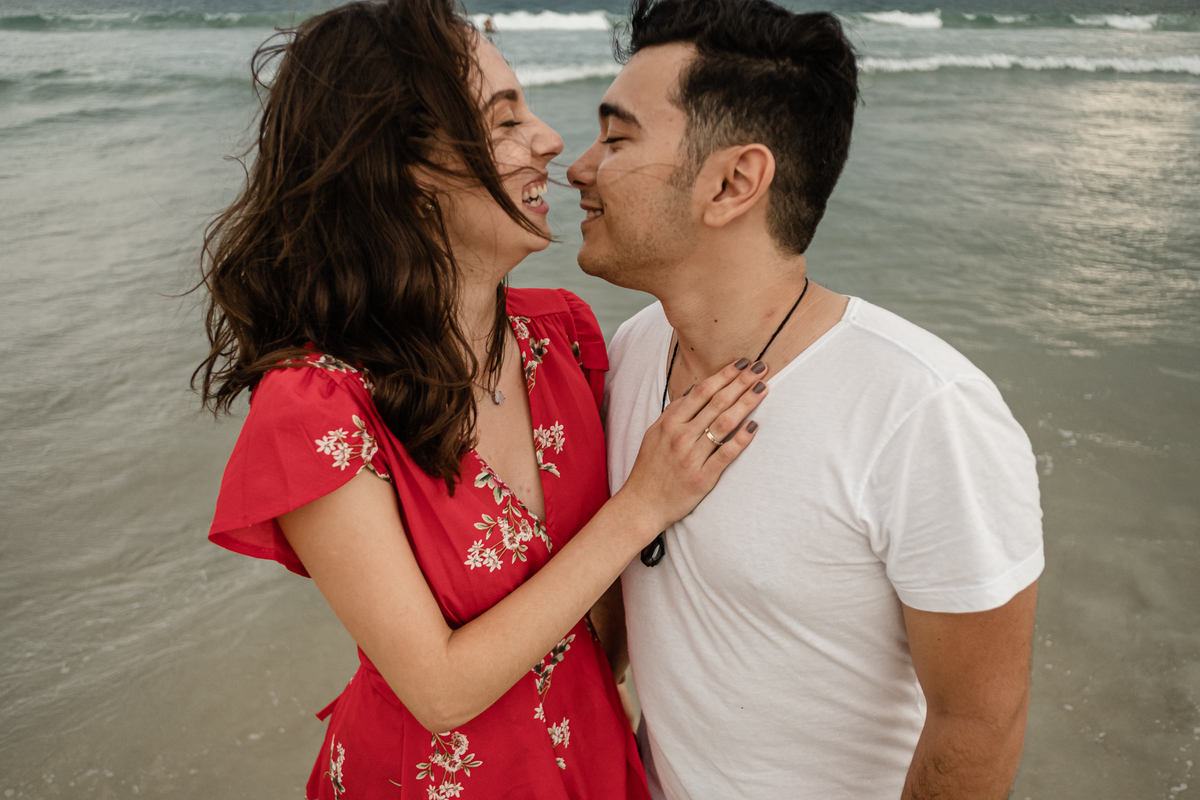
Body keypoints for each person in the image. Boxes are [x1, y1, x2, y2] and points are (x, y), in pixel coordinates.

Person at [195, 1, 769, 798]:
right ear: (406, 169)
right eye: (504, 122)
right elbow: (438, 689)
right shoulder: (317, 408)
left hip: (590, 761)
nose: (550, 140)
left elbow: (609, 625)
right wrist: (644, 505)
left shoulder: (562, 338)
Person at [567, 1, 1044, 798]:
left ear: (733, 182)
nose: (581, 166)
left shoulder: (924, 410)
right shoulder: (634, 348)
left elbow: (977, 721)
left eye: (617, 138)